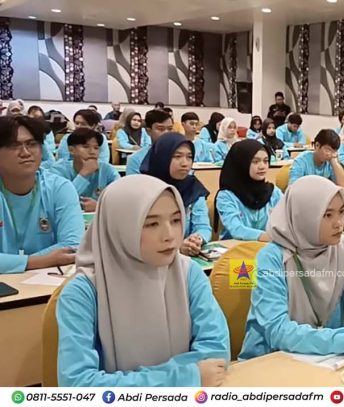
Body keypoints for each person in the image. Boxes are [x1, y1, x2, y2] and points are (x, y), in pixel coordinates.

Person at [56, 175, 230, 386]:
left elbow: (216, 352)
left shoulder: (188, 272)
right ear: (119, 227)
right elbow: (77, 384)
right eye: (151, 224)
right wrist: (182, 379)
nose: (169, 235)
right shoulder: (82, 293)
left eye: (176, 220)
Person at [238, 175, 344, 359]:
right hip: (269, 360)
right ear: (304, 217)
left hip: (326, 358)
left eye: (341, 212)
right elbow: (278, 331)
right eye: (328, 215)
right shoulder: (271, 259)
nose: (339, 223)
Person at [0, 115, 83, 273]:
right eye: (14, 145)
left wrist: (11, 264)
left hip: (46, 281)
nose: (25, 153)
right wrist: (37, 261)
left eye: (32, 144)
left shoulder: (59, 188)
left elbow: (73, 245)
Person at [140, 133, 212, 256]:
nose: (185, 163)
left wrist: (196, 240)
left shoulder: (193, 187)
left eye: (189, 157)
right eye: (177, 156)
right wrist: (176, 248)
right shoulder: (142, 190)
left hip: (186, 258)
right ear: (163, 157)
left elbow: (203, 227)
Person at [216, 140, 283, 241]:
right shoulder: (226, 196)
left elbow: (288, 220)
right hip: (234, 248)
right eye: (255, 161)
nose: (262, 166)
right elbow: (237, 230)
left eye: (265, 161)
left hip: (268, 248)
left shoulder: (273, 193)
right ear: (242, 163)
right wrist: (269, 237)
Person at [50, 128, 121, 212]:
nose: (92, 152)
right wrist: (83, 174)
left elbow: (120, 198)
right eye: (86, 147)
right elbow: (58, 200)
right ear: (71, 150)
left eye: (96, 148)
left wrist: (99, 206)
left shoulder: (107, 169)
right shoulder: (58, 170)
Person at [125, 110, 173, 175]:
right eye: (161, 129)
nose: (166, 133)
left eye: (170, 129)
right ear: (148, 131)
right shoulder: (135, 159)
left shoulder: (181, 155)